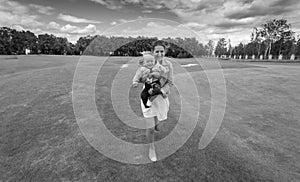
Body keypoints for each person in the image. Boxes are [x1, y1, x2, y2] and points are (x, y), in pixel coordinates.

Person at [136, 41, 174, 161]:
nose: (159, 53)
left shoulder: (168, 64)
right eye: (157, 51)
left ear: (164, 52)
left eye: (161, 51)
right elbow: (140, 78)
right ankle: (151, 149)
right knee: (151, 128)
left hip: (162, 98)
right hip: (149, 97)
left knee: (159, 125)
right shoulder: (146, 62)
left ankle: (157, 125)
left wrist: (162, 91)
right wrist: (143, 79)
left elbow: (170, 82)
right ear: (153, 52)